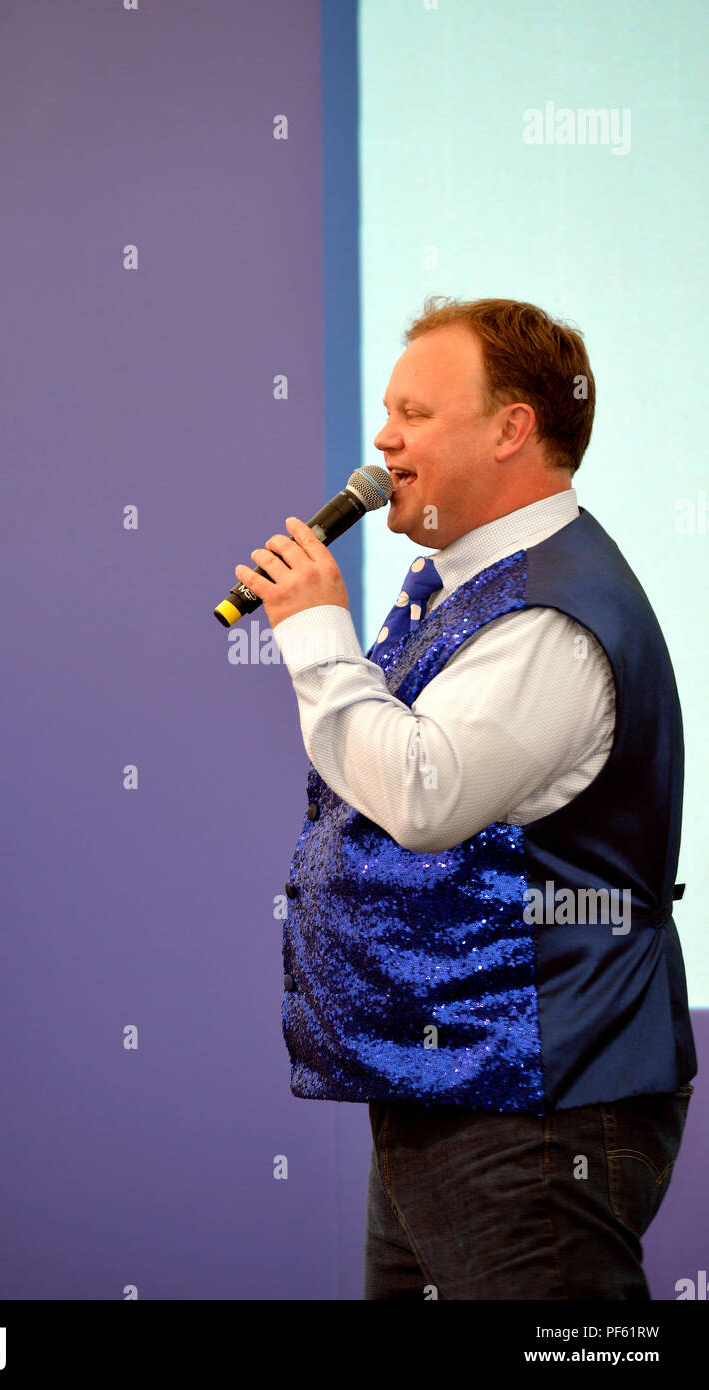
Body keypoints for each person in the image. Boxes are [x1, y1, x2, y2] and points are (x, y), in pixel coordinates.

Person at [234, 297, 696, 1301]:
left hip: (532, 1102)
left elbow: (421, 792)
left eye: (414, 412)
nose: (382, 438)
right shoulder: (458, 584)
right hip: (449, 1083)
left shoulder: (549, 618)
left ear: (510, 428)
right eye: (385, 413)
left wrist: (315, 633)